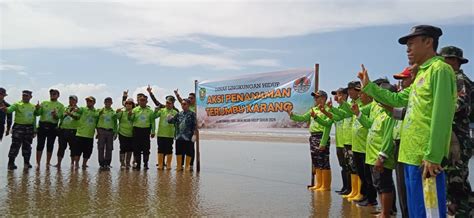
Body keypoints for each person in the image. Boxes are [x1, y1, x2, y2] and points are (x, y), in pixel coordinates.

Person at [359, 25, 456, 217]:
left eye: (411, 44)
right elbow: (397, 100)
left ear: (428, 42)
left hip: (426, 159)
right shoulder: (420, 74)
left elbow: (442, 115)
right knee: (414, 211)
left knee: (430, 212)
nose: (407, 49)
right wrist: (369, 87)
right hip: (408, 155)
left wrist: (434, 155)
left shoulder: (440, 70)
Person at [439, 45, 473, 217]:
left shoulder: (459, 80)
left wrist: (437, 111)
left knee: (457, 184)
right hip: (452, 137)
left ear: (453, 61)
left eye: (443, 60)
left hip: (459, 138)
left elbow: (459, 105)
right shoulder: (450, 80)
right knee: (452, 183)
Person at [361, 83, 398, 218]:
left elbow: (388, 139)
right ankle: (383, 210)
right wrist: (358, 114)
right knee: (378, 185)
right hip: (372, 156)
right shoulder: (379, 112)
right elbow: (370, 126)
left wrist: (381, 158)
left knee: (385, 186)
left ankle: (386, 212)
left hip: (381, 158)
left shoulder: (389, 115)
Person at [289, 90, 333, 191]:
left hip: (322, 136)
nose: (315, 99)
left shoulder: (328, 109)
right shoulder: (314, 109)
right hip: (313, 137)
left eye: (317, 97)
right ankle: (319, 184)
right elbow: (302, 118)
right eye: (315, 97)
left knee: (324, 162)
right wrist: (292, 115)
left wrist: (323, 142)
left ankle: (325, 186)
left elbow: (328, 126)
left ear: (323, 98)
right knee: (316, 161)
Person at [391, 66, 417, 218]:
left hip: (410, 144)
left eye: (403, 79)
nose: (401, 83)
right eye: (399, 80)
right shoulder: (403, 95)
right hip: (400, 143)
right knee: (402, 185)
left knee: (412, 188)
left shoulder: (414, 93)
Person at [1, 90, 36, 170]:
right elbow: (10, 109)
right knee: (15, 146)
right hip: (18, 128)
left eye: (26, 95)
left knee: (27, 146)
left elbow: (34, 118)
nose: (25, 97)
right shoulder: (17, 104)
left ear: (30, 97)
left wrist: (34, 130)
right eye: (23, 95)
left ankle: (26, 163)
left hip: (29, 128)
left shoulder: (33, 106)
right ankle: (11, 163)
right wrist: (6, 109)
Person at [328, 88, 351, 195]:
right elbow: (332, 119)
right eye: (336, 94)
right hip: (339, 143)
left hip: (347, 143)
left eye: (340, 94)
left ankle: (351, 189)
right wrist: (327, 110)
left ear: (347, 95)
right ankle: (345, 187)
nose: (337, 96)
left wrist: (333, 108)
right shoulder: (338, 108)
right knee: (343, 167)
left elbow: (344, 114)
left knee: (350, 167)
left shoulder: (349, 107)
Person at [35, 89, 65, 168]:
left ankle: (48, 162)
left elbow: (61, 117)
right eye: (51, 93)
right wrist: (37, 108)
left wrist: (55, 115)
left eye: (54, 94)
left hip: (53, 127)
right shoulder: (44, 103)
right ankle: (38, 163)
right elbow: (37, 114)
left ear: (58, 95)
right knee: (40, 145)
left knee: (50, 145)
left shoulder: (61, 106)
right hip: (42, 125)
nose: (52, 95)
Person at [168, 99, 196, 171]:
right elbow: (172, 121)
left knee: (189, 152)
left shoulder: (192, 114)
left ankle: (187, 166)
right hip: (179, 137)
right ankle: (179, 166)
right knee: (178, 152)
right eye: (182, 104)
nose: (183, 106)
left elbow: (195, 125)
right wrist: (169, 118)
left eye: (184, 104)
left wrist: (195, 135)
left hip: (189, 137)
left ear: (188, 105)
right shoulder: (179, 114)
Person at [129, 95, 156, 170]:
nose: (142, 101)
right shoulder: (135, 110)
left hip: (146, 131)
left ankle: (145, 164)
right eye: (140, 100)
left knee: (146, 148)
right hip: (136, 130)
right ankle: (138, 164)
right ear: (138, 101)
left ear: (146, 101)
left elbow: (152, 122)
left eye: (144, 100)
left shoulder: (150, 111)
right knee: (136, 148)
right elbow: (131, 119)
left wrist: (153, 131)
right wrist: (129, 115)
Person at [72, 96, 99, 169]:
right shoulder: (82, 109)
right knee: (77, 151)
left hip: (90, 135)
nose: (88, 102)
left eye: (90, 101)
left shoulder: (96, 112)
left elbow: (97, 123)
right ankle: (76, 164)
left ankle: (84, 164)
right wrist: (75, 109)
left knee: (88, 152)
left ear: (94, 102)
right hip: (80, 134)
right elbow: (78, 110)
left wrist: (98, 133)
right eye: (87, 101)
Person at [54, 95, 80, 168]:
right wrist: (55, 114)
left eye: (73, 100)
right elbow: (59, 117)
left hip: (73, 131)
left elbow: (78, 117)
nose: (71, 101)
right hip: (63, 130)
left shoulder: (79, 109)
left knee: (73, 148)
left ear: (76, 101)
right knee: (61, 147)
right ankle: (58, 164)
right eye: (70, 99)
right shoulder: (65, 108)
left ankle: (72, 164)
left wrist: (70, 114)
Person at [154, 96, 178, 170]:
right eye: (166, 102)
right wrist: (155, 111)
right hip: (161, 134)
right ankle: (160, 165)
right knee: (160, 149)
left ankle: (168, 165)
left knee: (169, 150)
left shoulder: (175, 112)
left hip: (170, 134)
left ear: (173, 104)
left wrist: (176, 134)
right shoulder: (161, 110)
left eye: (169, 103)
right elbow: (154, 117)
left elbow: (177, 124)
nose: (167, 104)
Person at [96, 97, 117, 169]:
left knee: (109, 148)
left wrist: (115, 132)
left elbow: (115, 123)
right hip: (101, 131)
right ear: (104, 102)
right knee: (101, 147)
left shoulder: (113, 112)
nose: (108, 103)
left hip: (110, 132)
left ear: (111, 103)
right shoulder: (100, 110)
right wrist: (97, 131)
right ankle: (101, 164)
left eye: (109, 102)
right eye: (106, 102)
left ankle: (107, 163)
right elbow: (96, 119)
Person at [116, 98, 135, 169]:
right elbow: (117, 117)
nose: (128, 105)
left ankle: (128, 163)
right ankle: (122, 163)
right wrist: (117, 112)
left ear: (132, 105)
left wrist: (130, 115)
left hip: (132, 134)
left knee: (130, 149)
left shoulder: (134, 112)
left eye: (130, 103)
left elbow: (133, 120)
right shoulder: (122, 112)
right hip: (122, 133)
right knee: (123, 148)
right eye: (127, 103)